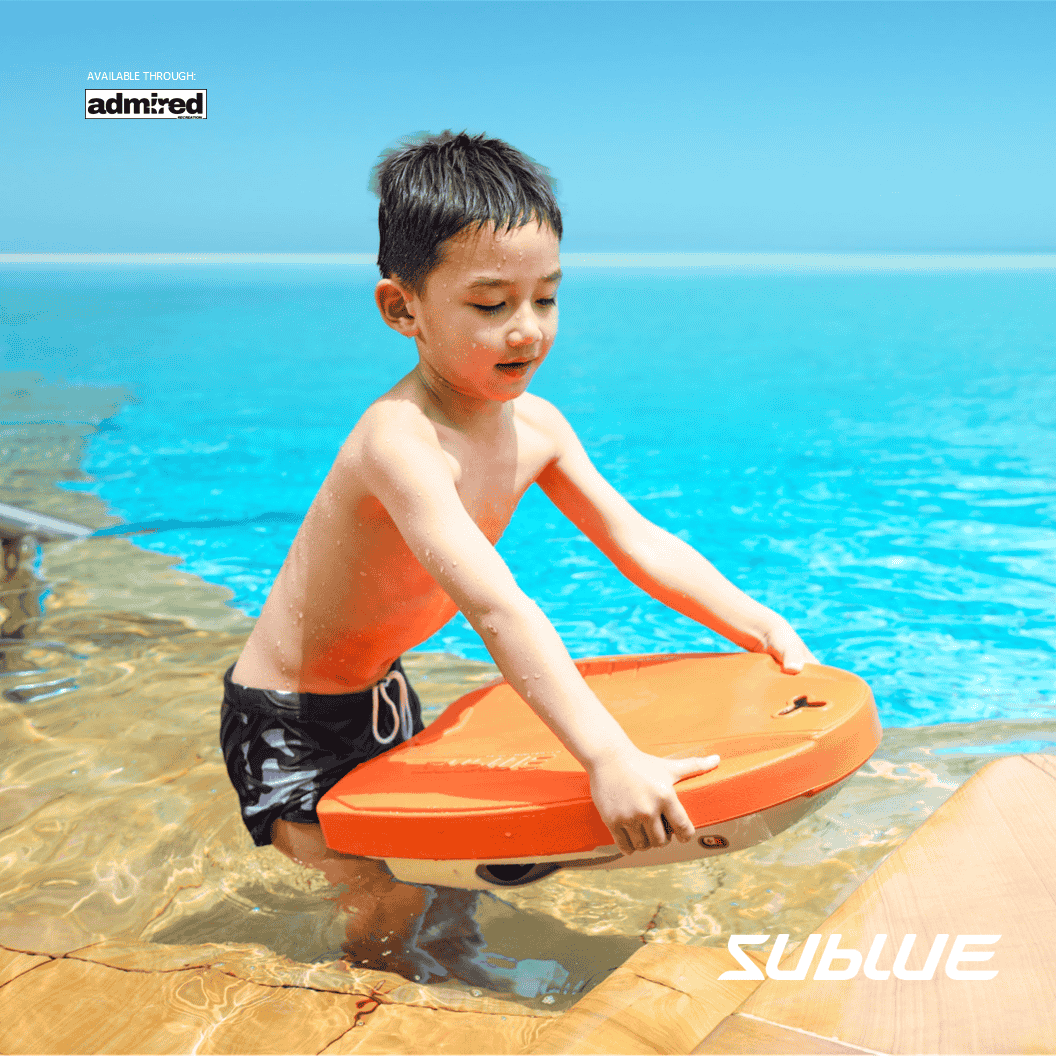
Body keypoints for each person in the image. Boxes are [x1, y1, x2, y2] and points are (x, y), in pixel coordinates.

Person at [220, 130, 816, 982]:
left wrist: (755, 621)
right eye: (491, 304)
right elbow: (497, 607)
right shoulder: (401, 441)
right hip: (289, 720)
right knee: (380, 898)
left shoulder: (535, 425)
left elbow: (636, 540)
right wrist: (608, 757)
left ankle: (455, 995)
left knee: (443, 884)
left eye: (546, 298)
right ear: (402, 310)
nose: (527, 330)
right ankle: (360, 1018)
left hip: (382, 693)